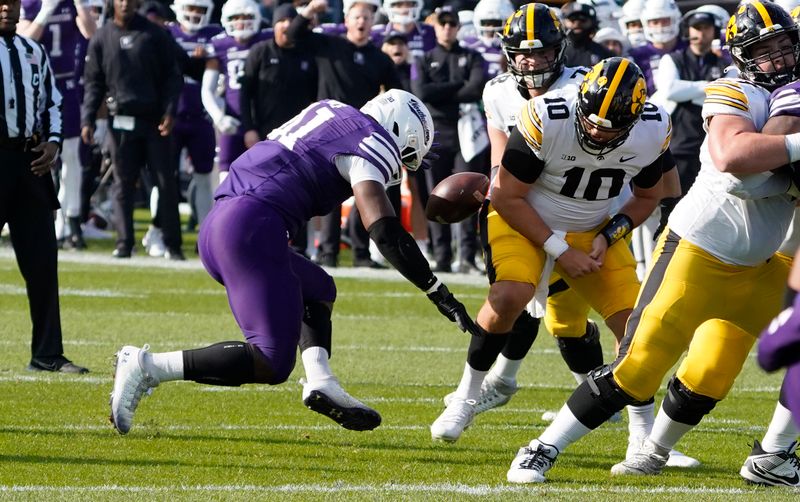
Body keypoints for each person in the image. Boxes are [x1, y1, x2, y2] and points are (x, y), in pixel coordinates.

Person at [506, 0, 800, 484]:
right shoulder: (733, 90)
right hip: (700, 250)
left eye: (785, 47)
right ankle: (541, 448)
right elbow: (732, 158)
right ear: (742, 56)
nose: (779, 60)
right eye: (765, 51)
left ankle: (769, 455)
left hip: (763, 263)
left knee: (712, 371)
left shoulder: (791, 95)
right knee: (637, 366)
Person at [108, 89, 480, 435]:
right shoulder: (371, 140)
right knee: (271, 362)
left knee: (318, 288)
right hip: (252, 226)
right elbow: (383, 231)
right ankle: (148, 366)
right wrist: (436, 290)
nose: (405, 163)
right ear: (401, 131)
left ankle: (321, 381)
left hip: (223, 221)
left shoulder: (327, 109)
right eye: (409, 152)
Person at [0, 0, 89, 374]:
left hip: (31, 161)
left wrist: (53, 142)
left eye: (12, 1)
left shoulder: (33, 50)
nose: (6, 7)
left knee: (42, 262)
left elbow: (52, 100)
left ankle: (47, 352)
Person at [287, 0, 403, 269]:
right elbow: (294, 35)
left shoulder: (380, 58)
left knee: (366, 188)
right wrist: (309, 12)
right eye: (356, 16)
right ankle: (328, 252)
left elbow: (397, 95)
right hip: (327, 128)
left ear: (373, 22)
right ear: (347, 21)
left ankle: (361, 252)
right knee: (330, 191)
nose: (362, 21)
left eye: (366, 16)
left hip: (362, 130)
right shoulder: (329, 45)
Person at [81, 0, 185, 260]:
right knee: (122, 184)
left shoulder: (155, 34)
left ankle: (173, 245)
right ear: (112, 3)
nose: (125, 3)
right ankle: (124, 243)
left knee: (165, 183)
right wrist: (88, 119)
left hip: (153, 121)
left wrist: (170, 111)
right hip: (120, 121)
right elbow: (94, 82)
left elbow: (173, 76)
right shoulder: (102, 37)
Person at [411, 6, 487, 273]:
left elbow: (476, 87)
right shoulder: (424, 58)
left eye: (451, 23)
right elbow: (421, 91)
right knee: (436, 195)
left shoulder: (471, 56)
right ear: (435, 26)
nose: (446, 28)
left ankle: (466, 255)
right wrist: (457, 85)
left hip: (467, 129)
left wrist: (441, 91)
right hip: (435, 132)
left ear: (457, 26)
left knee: (468, 193)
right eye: (442, 23)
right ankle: (441, 255)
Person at [18, 0, 96, 250]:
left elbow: (92, 34)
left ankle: (70, 219)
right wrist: (46, 10)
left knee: (71, 155)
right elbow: (24, 41)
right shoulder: (28, 4)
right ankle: (36, 218)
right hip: (34, 88)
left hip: (65, 86)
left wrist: (81, 4)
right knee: (35, 155)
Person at [654, 7, 731, 229]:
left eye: (706, 28)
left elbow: (727, 91)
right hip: (679, 148)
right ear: (687, 31)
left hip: (710, 149)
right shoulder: (673, 58)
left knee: (709, 210)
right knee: (673, 209)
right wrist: (708, 88)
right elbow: (669, 89)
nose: (701, 33)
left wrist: (691, 92)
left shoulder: (723, 63)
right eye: (696, 28)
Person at [166, 0, 223, 245]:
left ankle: (205, 235)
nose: (194, 14)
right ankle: (159, 230)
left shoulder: (215, 36)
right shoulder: (167, 33)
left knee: (203, 176)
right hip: (171, 117)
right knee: (164, 177)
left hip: (201, 118)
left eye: (200, 9)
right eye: (190, 8)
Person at [202, 0, 272, 184]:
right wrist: (219, 117)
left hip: (263, 118)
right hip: (233, 118)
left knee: (264, 174)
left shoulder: (266, 39)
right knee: (226, 173)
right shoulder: (220, 44)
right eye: (235, 17)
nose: (241, 22)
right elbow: (207, 89)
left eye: (247, 17)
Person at [560, 2, 612, 68]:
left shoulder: (604, 53)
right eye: (572, 19)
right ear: (564, 22)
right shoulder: (556, 51)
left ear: (593, 22)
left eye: (583, 19)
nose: (577, 23)